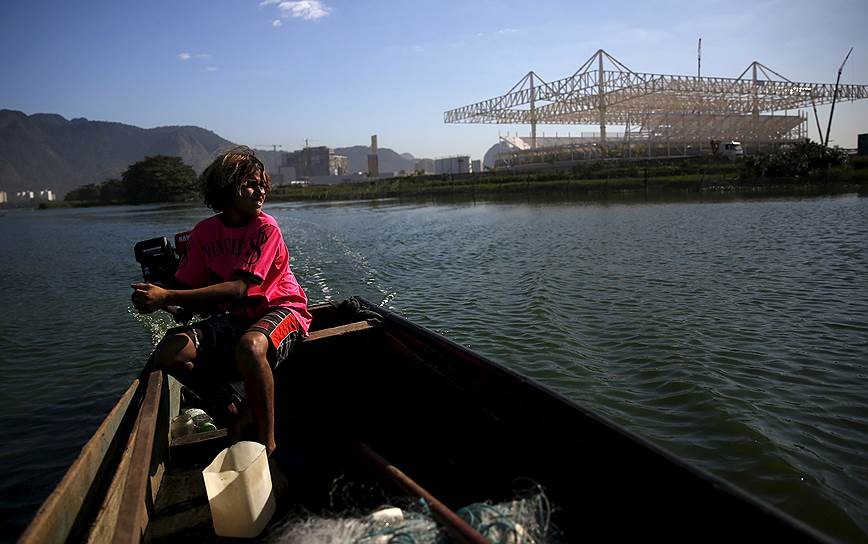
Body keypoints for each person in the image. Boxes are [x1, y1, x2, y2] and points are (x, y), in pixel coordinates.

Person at [131, 146, 311, 485]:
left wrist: (168, 295)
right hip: (238, 317)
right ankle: (234, 411)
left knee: (250, 347)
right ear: (228, 187)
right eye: (251, 185)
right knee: (170, 350)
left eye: (262, 185)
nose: (261, 192)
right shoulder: (204, 233)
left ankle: (267, 445)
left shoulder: (265, 228)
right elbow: (187, 294)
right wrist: (157, 297)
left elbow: (238, 289)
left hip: (282, 309)